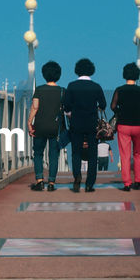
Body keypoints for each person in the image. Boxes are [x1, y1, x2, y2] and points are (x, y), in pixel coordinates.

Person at [61, 57, 106, 193]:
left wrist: (70, 113)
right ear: (91, 71)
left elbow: (66, 105)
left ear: (77, 71)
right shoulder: (96, 87)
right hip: (92, 123)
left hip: (76, 123)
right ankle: (89, 184)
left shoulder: (72, 86)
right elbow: (103, 105)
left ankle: (77, 177)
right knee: (92, 153)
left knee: (76, 152)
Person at [111, 62, 140, 191]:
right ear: (137, 75)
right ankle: (138, 181)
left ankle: (127, 183)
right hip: (139, 125)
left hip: (124, 125)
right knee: (138, 153)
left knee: (125, 154)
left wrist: (119, 113)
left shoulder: (119, 90)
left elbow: (112, 106)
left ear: (124, 75)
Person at [28, 61, 64, 191]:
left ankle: (39, 180)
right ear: (58, 75)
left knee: (38, 153)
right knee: (54, 155)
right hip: (55, 127)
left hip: (40, 126)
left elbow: (35, 106)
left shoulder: (39, 90)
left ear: (44, 75)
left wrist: (29, 122)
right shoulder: (61, 91)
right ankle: (51, 183)